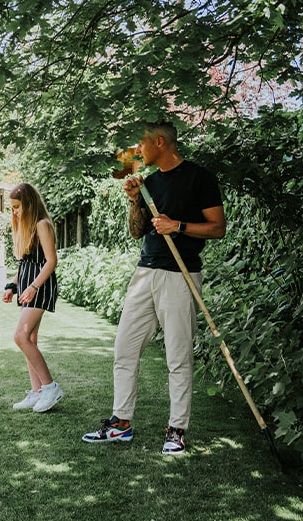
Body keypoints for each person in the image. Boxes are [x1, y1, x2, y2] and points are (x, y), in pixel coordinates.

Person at [82, 121, 225, 454]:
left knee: (178, 356)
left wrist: (178, 226)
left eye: (141, 144)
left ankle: (176, 430)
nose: (137, 150)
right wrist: (135, 200)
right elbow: (137, 232)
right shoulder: (150, 184)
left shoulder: (199, 178)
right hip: (145, 272)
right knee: (125, 348)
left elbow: (218, 228)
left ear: (160, 142)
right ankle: (120, 424)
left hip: (180, 274)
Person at [3, 183, 64, 413]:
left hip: (40, 287)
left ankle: (50, 387)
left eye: (17, 207)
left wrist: (34, 287)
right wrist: (13, 285)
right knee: (29, 338)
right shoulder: (27, 228)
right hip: (27, 288)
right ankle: (37, 391)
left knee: (21, 336)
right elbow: (25, 264)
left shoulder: (42, 224)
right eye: (12, 208)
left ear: (29, 204)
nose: (14, 212)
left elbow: (51, 261)